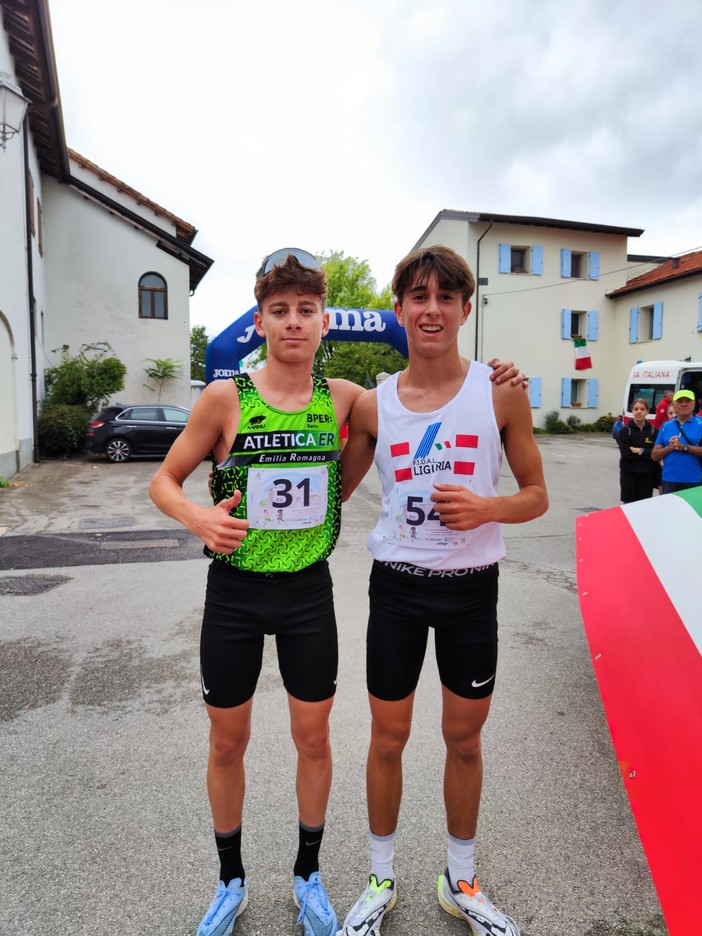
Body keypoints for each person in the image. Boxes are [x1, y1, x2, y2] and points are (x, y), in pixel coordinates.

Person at [149, 247, 522, 936]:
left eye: (307, 311)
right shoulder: (224, 396)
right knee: (227, 743)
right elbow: (163, 480)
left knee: (313, 740)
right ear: (259, 323)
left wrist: (503, 373)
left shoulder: (350, 400)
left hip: (308, 596)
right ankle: (229, 881)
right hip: (234, 592)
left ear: (325, 323)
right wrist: (198, 516)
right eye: (280, 312)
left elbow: (376, 453)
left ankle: (309, 876)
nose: (295, 322)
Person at [337, 245, 548, 936]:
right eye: (417, 296)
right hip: (396, 589)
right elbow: (331, 492)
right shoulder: (374, 403)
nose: (431, 309)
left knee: (463, 739)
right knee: (388, 738)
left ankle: (461, 880)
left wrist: (488, 507)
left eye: (445, 296)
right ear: (398, 310)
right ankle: (379, 879)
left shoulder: (501, 391)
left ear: (465, 308)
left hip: (470, 594)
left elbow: (537, 496)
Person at [652, 389, 702, 494]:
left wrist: (683, 447)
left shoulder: (700, 423)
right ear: (674, 405)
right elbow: (655, 455)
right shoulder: (666, 425)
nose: (684, 404)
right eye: (680, 401)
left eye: (687, 401)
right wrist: (670, 447)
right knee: (670, 510)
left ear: (693, 404)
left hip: (694, 479)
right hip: (669, 479)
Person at [616, 398, 658, 502]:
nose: (639, 411)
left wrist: (640, 450)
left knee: (644, 506)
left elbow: (655, 455)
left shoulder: (654, 431)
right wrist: (647, 454)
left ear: (647, 411)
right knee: (629, 506)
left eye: (642, 409)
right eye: (636, 409)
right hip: (628, 475)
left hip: (647, 476)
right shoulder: (625, 431)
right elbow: (626, 455)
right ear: (632, 411)